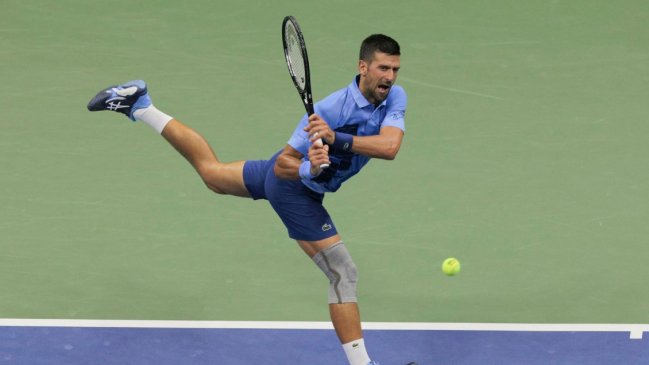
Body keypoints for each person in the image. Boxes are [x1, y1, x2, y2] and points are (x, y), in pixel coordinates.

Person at [88, 34, 415, 365]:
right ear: (363, 67)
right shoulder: (329, 109)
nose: (390, 77)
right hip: (293, 190)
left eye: (395, 69)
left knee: (212, 174)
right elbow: (285, 165)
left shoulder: (393, 97)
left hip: (288, 178)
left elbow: (389, 147)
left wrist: (335, 140)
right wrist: (310, 169)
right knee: (343, 272)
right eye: (383, 68)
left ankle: (141, 105)